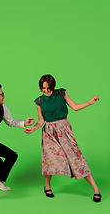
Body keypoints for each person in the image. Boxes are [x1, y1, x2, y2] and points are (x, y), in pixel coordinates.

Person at [24, 74, 101, 202]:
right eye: (43, 88)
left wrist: (90, 102)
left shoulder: (61, 93)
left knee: (77, 158)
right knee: (49, 159)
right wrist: (33, 129)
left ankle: (96, 189)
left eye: (48, 88)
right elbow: (41, 120)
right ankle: (47, 186)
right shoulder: (39, 101)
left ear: (53, 86)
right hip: (49, 132)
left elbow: (75, 107)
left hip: (64, 129)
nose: (46, 91)